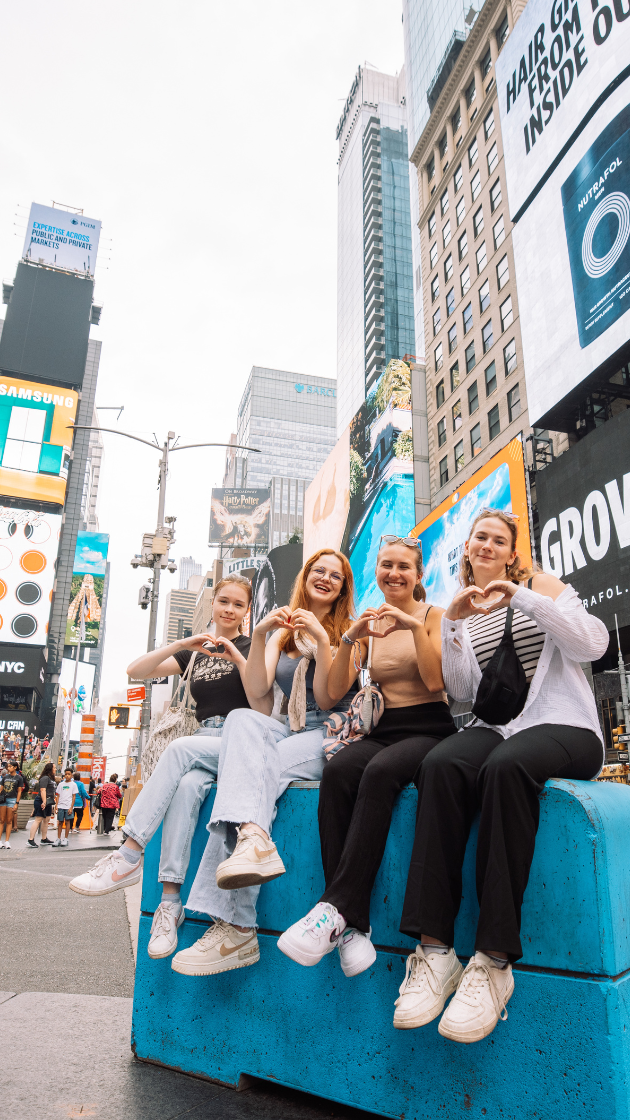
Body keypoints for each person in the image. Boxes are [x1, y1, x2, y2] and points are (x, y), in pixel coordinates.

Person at [387, 508, 608, 1043]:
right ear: (466, 549)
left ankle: (493, 960)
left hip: (566, 727)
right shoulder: (462, 608)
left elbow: (592, 645)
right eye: (478, 538)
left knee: (507, 769)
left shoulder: (543, 585)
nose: (486, 545)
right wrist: (458, 624)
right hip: (501, 729)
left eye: (498, 540)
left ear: (513, 551)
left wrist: (522, 595)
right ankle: (435, 950)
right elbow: (463, 692)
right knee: (439, 764)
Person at [169, 548, 358, 979]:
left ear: (343, 586)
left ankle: (236, 927)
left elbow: (329, 698)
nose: (325, 578)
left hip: (329, 732)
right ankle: (253, 839)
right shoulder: (283, 630)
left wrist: (326, 641)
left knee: (257, 773)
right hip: (287, 726)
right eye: (318, 571)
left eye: (335, 575)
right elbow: (258, 696)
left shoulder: (350, 631)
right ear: (306, 576)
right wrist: (258, 638)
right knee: (240, 720)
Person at [278, 535, 456, 977]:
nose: (394, 573)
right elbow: (335, 691)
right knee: (338, 772)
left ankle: (334, 908)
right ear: (376, 571)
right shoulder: (368, 624)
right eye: (386, 565)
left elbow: (437, 684)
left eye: (404, 567)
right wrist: (350, 640)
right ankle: (352, 926)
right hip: (384, 729)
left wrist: (412, 627)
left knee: (378, 774)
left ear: (419, 576)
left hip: (430, 727)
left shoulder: (434, 616)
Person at [69, 576, 260, 961]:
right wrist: (182, 644)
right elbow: (135, 670)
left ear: (247, 611)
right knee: (187, 788)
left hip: (241, 738)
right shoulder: (195, 652)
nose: (228, 609)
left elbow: (265, 696)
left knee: (178, 751)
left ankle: (129, 853)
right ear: (214, 605)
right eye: (223, 601)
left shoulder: (253, 646)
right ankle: (171, 903)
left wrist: (236, 656)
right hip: (204, 742)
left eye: (238, 605)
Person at [28, 762, 57, 847]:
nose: (55, 769)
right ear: (50, 769)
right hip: (42, 800)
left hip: (48, 801)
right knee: (38, 819)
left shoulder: (51, 778)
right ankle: (30, 839)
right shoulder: (45, 778)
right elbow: (43, 790)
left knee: (47, 819)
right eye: (54, 768)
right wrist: (44, 802)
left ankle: (44, 839)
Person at [0, 760, 24, 849]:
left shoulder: (19, 778)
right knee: (2, 820)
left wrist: (17, 803)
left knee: (9, 821)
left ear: (15, 767)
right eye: (8, 766)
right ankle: (0, 841)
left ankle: (7, 841)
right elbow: (1, 789)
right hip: (3, 800)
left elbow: (19, 792)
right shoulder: (5, 777)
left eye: (10, 766)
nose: (8, 768)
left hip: (12, 799)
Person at [53, 768, 78, 847]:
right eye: (66, 774)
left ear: (71, 775)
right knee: (60, 822)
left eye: (69, 774)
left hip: (68, 806)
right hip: (61, 805)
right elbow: (58, 795)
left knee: (67, 822)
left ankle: (66, 838)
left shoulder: (73, 785)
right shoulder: (61, 784)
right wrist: (56, 805)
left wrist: (71, 807)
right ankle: (58, 838)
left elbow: (74, 797)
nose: (67, 776)